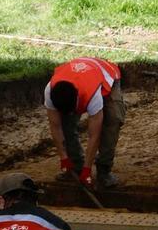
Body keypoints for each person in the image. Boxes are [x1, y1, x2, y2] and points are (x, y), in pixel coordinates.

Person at [45, 57, 124, 189]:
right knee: (66, 125)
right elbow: (55, 126)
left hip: (106, 75)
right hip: (81, 76)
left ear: (77, 99)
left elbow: (94, 136)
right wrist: (64, 158)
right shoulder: (49, 92)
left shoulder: (92, 95)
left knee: (113, 120)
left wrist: (87, 169)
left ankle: (104, 172)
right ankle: (75, 167)